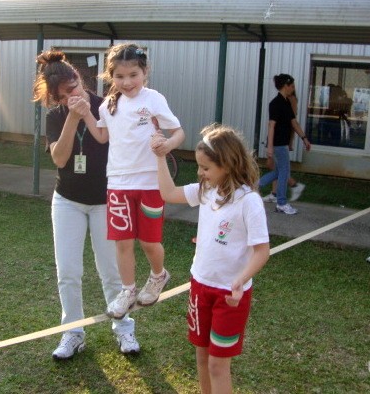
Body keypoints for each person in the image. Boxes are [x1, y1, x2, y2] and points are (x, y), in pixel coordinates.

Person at [32, 50, 139, 359]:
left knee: (111, 272)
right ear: (55, 98)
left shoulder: (109, 106)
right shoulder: (56, 117)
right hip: (67, 201)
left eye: (73, 88)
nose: (72, 97)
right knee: (68, 271)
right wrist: (72, 118)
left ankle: (123, 328)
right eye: (64, 96)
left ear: (79, 78)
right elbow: (60, 159)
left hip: (106, 201)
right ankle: (73, 332)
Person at [151, 123, 270, 394]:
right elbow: (168, 194)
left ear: (226, 165)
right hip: (200, 287)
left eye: (205, 168)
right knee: (202, 356)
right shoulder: (206, 190)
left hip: (231, 295)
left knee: (218, 364)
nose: (200, 173)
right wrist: (159, 157)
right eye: (199, 167)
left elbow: (262, 250)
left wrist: (240, 280)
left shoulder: (249, 201)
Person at [81, 43, 185, 319]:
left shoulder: (154, 99)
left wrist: (168, 144)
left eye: (133, 75)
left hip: (151, 184)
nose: (127, 82)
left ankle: (158, 275)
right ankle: (127, 290)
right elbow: (102, 136)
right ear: (110, 76)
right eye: (120, 76)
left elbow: (178, 132)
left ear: (145, 72)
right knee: (123, 242)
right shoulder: (108, 105)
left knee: (149, 243)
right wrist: (86, 115)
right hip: (117, 184)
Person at [259, 74, 311, 215]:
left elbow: (294, 122)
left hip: (282, 144)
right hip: (277, 144)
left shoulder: (286, 102)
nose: (293, 89)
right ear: (285, 86)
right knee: (283, 172)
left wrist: (304, 138)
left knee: (279, 172)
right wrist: (270, 147)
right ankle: (281, 203)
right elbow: (271, 125)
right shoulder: (275, 103)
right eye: (292, 86)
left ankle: (253, 185)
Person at [262, 91, 306, 204]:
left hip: (280, 140)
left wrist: (290, 140)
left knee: (279, 168)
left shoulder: (291, 100)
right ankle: (276, 192)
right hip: (275, 138)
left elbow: (292, 122)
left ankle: (289, 188)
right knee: (274, 166)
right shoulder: (281, 100)